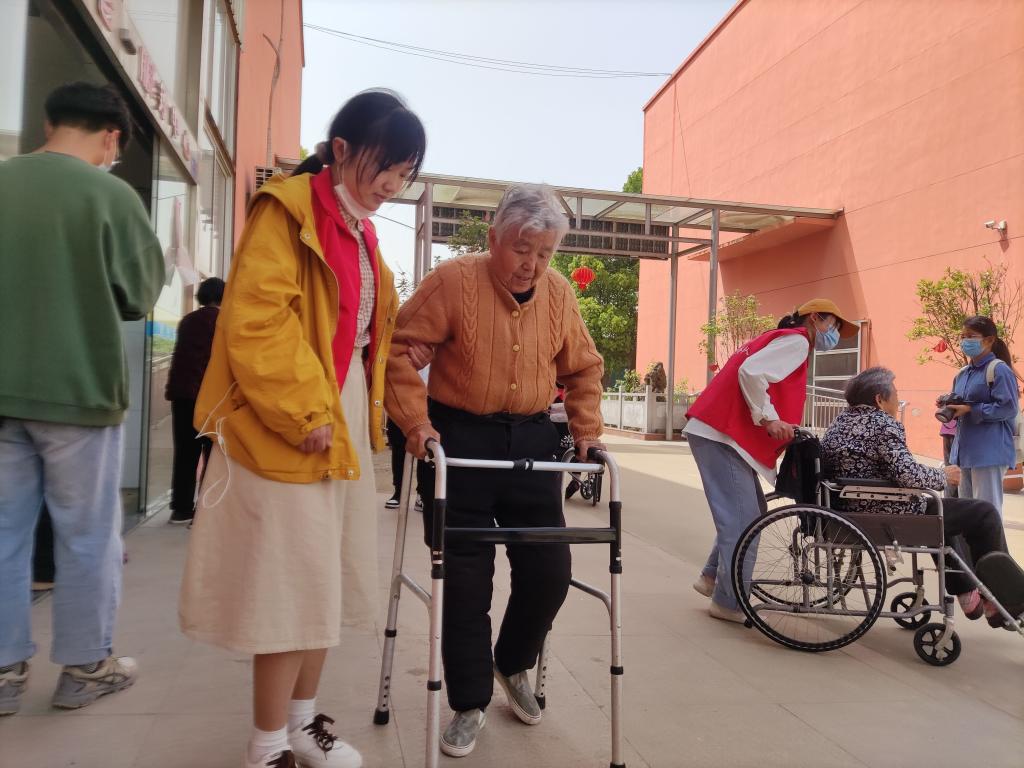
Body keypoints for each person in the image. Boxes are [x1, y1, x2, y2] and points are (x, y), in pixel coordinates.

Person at [178, 89, 424, 768]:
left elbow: (373, 338)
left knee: (324, 579)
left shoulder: (361, 230)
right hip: (293, 415)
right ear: (341, 150)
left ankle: (300, 724)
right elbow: (258, 319)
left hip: (340, 412)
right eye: (385, 166)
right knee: (287, 586)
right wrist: (305, 409)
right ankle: (265, 747)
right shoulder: (287, 209)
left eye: (404, 173)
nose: (393, 184)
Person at [386, 183, 605, 758]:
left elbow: (583, 368)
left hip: (531, 441)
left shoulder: (559, 295)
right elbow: (400, 351)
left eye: (545, 253)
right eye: (521, 248)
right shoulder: (452, 281)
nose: (531, 264)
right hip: (459, 443)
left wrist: (586, 429)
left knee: (549, 572)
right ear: (493, 238)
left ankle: (511, 663)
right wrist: (415, 423)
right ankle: (468, 701)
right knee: (465, 583)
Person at [0, 82, 164, 714]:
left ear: (49, 124)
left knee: (4, 534)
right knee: (87, 535)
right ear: (112, 137)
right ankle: (85, 668)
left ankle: (4, 674)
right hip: (81, 392)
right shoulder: (111, 196)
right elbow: (139, 295)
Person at [684, 299, 860, 623]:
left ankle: (711, 578)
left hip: (720, 432)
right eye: (833, 325)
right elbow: (751, 372)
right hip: (722, 434)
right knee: (743, 521)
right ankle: (728, 602)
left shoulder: (781, 338)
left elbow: (752, 372)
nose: (834, 333)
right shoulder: (797, 341)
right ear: (815, 318)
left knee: (750, 513)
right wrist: (768, 418)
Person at [822, 367, 1015, 627]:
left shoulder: (839, 423)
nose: (897, 399)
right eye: (895, 393)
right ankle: (1000, 595)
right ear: (880, 399)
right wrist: (943, 476)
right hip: (889, 512)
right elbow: (908, 475)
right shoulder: (883, 424)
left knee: (946, 515)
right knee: (983, 513)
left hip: (853, 509)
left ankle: (966, 591)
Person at [942, 315, 1020, 514]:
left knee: (986, 511)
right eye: (962, 336)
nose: (964, 341)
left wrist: (972, 409)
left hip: (988, 452)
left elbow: (1008, 408)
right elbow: (962, 402)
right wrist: (949, 404)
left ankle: (991, 538)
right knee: (967, 513)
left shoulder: (999, 370)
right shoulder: (963, 373)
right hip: (964, 451)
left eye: (971, 336)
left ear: (989, 340)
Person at [165, 277, 224, 525]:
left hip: (182, 395)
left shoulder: (188, 321)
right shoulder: (223, 322)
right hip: (210, 397)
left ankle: (180, 509)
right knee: (213, 453)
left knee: (185, 453)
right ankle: (206, 510)